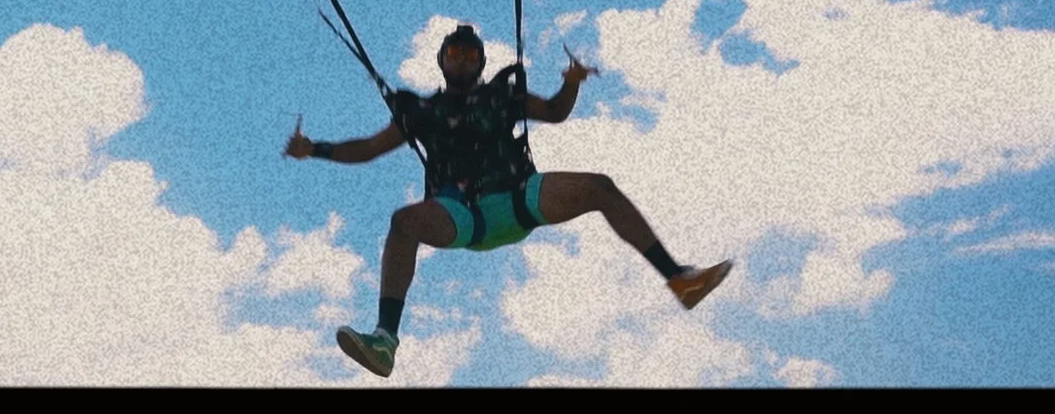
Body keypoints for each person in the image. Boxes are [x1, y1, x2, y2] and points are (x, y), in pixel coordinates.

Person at [286, 22, 732, 378]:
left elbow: (556, 112)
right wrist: (316, 149)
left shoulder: (503, 96)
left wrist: (572, 82)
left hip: (520, 197)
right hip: (461, 214)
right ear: (441, 61)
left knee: (600, 186)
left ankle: (680, 279)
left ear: (481, 62)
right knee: (404, 222)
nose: (462, 60)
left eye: (470, 55)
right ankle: (385, 340)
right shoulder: (421, 112)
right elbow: (367, 149)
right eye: (454, 55)